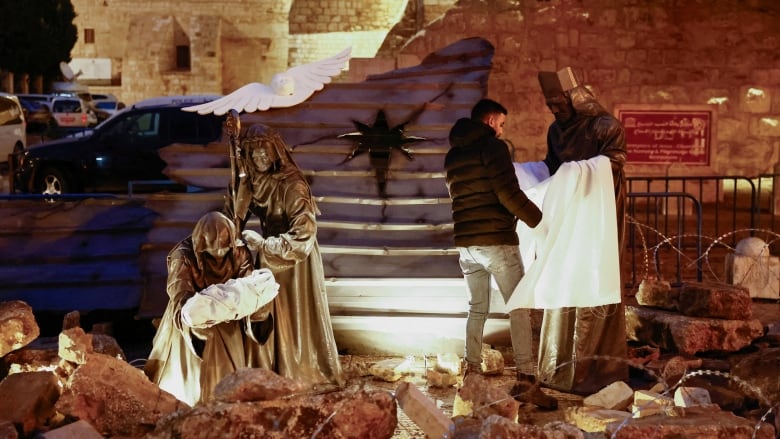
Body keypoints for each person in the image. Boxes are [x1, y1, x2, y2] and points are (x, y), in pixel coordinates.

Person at [444, 98, 554, 407]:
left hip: (466, 243)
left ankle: (472, 374)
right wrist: (539, 220)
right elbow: (507, 192)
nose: (502, 131)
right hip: (496, 240)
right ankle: (526, 380)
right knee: (518, 307)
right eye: (502, 124)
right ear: (491, 121)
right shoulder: (493, 148)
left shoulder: (453, 155)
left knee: (476, 308)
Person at [224, 122, 343, 390]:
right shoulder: (254, 179)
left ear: (275, 151)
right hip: (269, 256)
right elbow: (235, 214)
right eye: (253, 153)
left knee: (293, 316)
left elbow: (303, 237)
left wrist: (265, 244)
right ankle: (270, 371)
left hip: (294, 261)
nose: (259, 158)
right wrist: (239, 191)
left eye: (264, 152)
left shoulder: (293, 185)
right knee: (267, 312)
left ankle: (299, 370)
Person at [532, 67, 629, 394]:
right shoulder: (555, 131)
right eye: (548, 102)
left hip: (597, 215)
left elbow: (615, 161)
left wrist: (574, 175)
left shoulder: (606, 126)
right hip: (567, 215)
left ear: (575, 97)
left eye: (557, 101)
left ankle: (592, 368)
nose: (552, 108)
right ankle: (558, 365)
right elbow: (551, 165)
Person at [144, 211, 275, 406]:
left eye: (225, 248)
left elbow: (248, 282)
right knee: (202, 360)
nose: (221, 254)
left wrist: (256, 307)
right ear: (202, 245)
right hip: (195, 321)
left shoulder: (238, 250)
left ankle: (233, 394)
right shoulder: (183, 255)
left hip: (230, 316)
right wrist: (195, 319)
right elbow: (180, 293)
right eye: (214, 249)